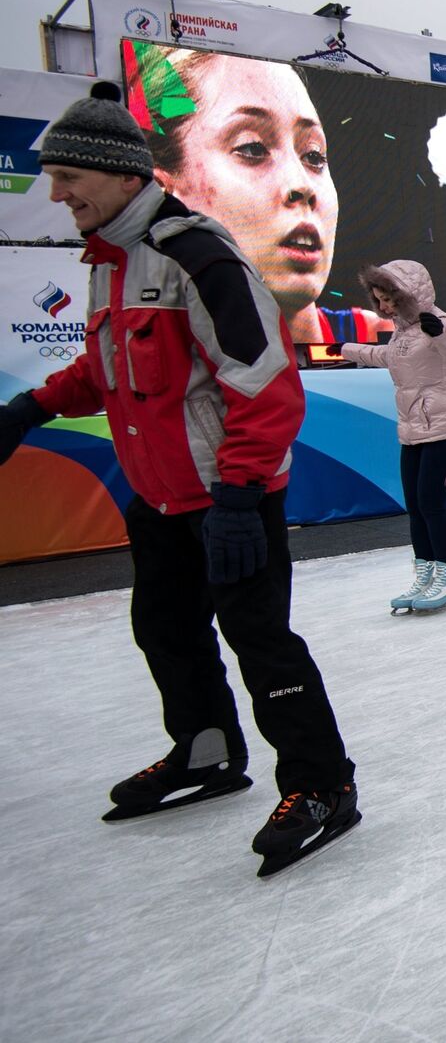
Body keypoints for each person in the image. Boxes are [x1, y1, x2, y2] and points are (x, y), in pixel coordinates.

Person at [0, 82, 358, 876]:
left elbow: (265, 381)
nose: (56, 195)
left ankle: (323, 782)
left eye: (68, 179)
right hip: (158, 496)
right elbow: (107, 369)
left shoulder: (196, 253)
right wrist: (30, 406)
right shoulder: (112, 260)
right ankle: (204, 750)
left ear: (122, 175)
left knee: (262, 642)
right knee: (164, 627)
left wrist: (237, 495)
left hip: (227, 496)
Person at [131, 44, 339, 345]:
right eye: (253, 148)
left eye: (314, 156)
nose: (302, 185)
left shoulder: (391, 337)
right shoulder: (134, 345)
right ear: (160, 192)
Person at [332, 261, 446, 613]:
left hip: (442, 426)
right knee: (414, 506)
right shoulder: (401, 331)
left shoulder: (436, 322)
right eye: (378, 300)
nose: (383, 308)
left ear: (408, 295)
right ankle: (425, 572)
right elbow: (389, 357)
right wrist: (348, 349)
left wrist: (441, 333)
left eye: (388, 300)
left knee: (432, 503)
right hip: (411, 428)